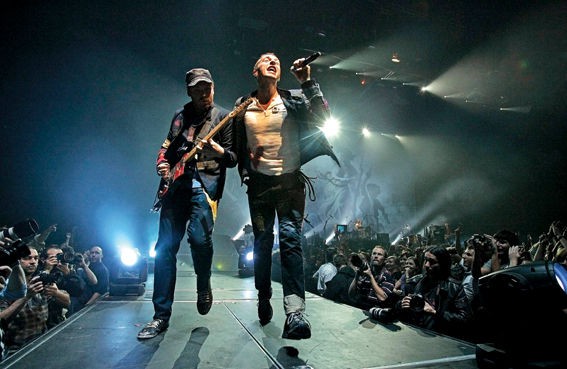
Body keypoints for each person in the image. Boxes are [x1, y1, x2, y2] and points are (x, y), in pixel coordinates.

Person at [233, 52, 339, 340]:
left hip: (290, 184)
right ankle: (263, 294)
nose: (272, 61)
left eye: (276, 61)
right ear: (255, 71)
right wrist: (243, 167)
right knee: (263, 244)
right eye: (265, 59)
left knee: (292, 241)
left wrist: (307, 83)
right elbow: (237, 146)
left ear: (279, 74)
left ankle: (295, 313)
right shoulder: (243, 106)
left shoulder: (292, 98)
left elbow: (323, 118)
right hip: (259, 188)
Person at [138, 68, 237, 340]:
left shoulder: (223, 116)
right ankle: (160, 316)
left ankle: (203, 281)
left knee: (199, 239)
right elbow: (167, 145)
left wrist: (217, 151)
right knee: (164, 248)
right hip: (175, 187)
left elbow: (232, 157)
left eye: (207, 87)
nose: (204, 93)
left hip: (204, 185)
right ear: (189, 91)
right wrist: (162, 163)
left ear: (213, 88)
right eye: (197, 88)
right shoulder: (180, 116)